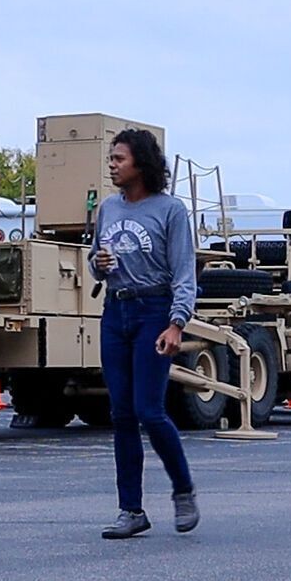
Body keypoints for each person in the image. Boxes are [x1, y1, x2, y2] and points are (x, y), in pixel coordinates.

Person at [88, 128, 199, 539]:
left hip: (154, 310)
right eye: (111, 159)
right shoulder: (109, 209)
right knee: (121, 414)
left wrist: (176, 322)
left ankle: (183, 489)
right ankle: (131, 509)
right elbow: (94, 265)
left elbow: (185, 272)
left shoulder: (169, 210)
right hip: (116, 311)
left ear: (141, 163)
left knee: (150, 411)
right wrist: (98, 263)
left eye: (119, 159)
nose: (112, 165)